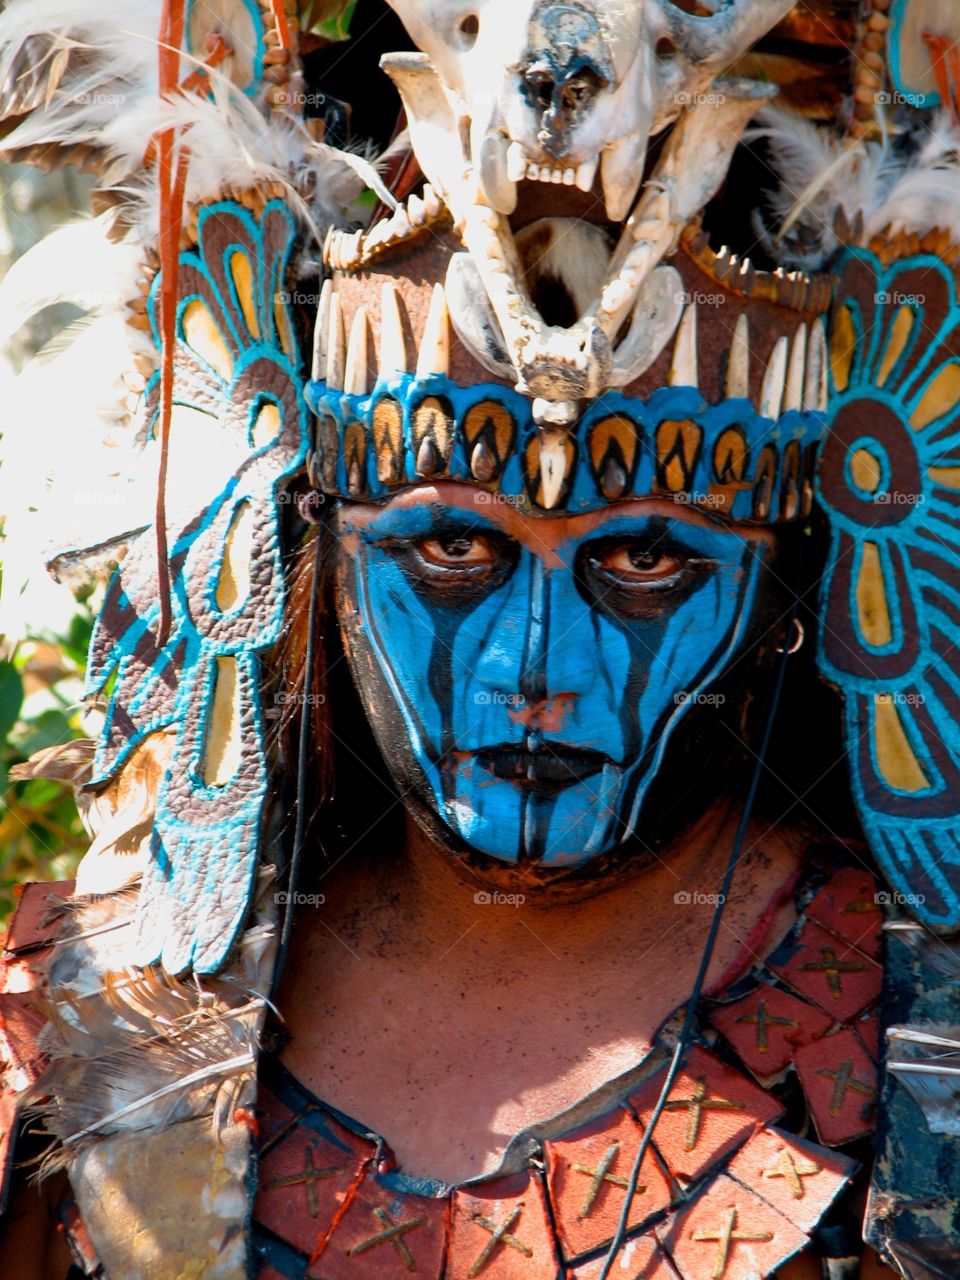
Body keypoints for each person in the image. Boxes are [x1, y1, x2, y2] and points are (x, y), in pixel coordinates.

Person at [0, 1, 957, 1277]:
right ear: (312, 549)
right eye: (450, 549)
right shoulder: (78, 1031)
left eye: (646, 560)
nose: (533, 666)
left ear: (790, 582)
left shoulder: (918, 1050)